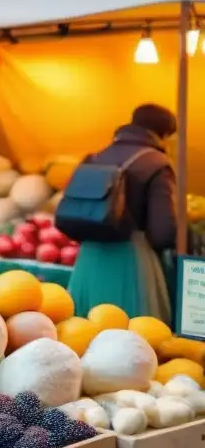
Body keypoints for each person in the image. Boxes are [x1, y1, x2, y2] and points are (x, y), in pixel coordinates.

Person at [67, 104, 178, 322]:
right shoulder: (158, 164)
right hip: (130, 263)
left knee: (82, 335)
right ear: (163, 134)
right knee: (131, 339)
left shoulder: (95, 157)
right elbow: (163, 232)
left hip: (89, 259)